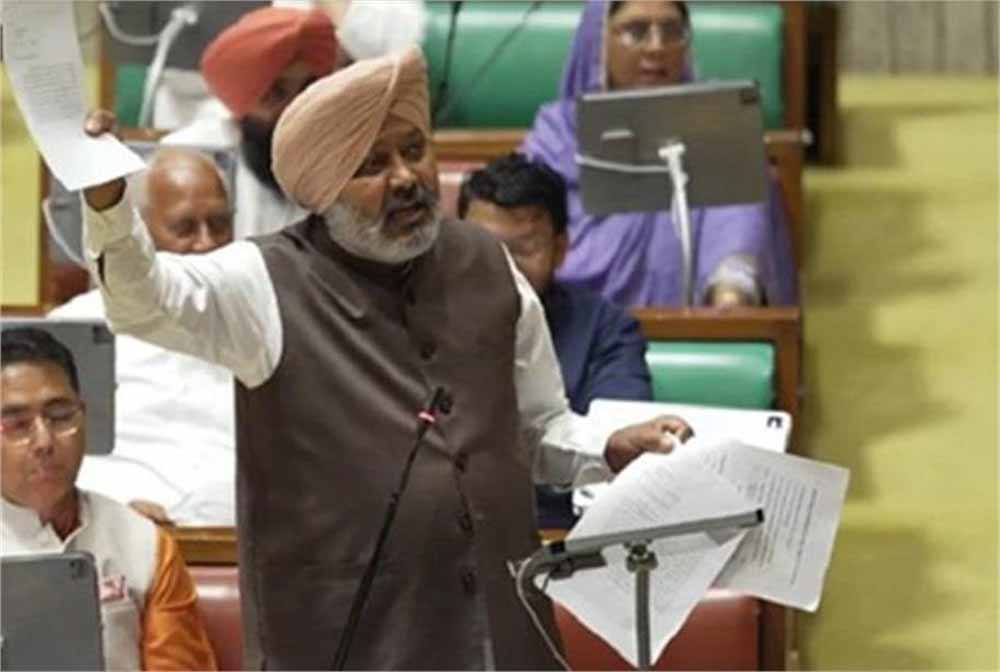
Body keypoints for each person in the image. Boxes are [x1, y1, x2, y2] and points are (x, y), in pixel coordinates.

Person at [80, 47, 694, 669]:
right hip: (346, 642)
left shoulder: (489, 264)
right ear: (323, 188)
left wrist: (605, 448)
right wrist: (108, 205)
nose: (404, 177)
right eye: (372, 164)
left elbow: (537, 427)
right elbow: (142, 303)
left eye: (414, 149)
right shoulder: (263, 280)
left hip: (506, 637)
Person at [522, 0, 799, 308]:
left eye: (672, 31)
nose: (657, 47)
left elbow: (738, 222)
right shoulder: (556, 132)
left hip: (695, 324)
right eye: (636, 31)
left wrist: (730, 293)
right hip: (567, 321)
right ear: (598, 40)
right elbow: (524, 235)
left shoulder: (717, 121)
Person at [0, 327, 218, 671]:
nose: (44, 441)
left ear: (84, 416)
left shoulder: (142, 544)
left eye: (60, 417)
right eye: (16, 424)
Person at [459, 153, 653, 529]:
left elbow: (619, 441)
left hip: (566, 530)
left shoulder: (605, 328)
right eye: (485, 248)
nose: (505, 269)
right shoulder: (427, 312)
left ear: (560, 248)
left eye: (523, 249)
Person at [50, 148, 237, 525]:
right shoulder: (75, 328)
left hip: (233, 535)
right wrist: (113, 516)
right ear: (139, 232)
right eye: (185, 228)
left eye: (219, 225)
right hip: (111, 532)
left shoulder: (258, 319)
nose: (206, 243)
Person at [163, 3, 426, 239]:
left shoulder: (358, 160)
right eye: (276, 95)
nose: (296, 106)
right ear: (239, 112)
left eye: (308, 88)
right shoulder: (195, 157)